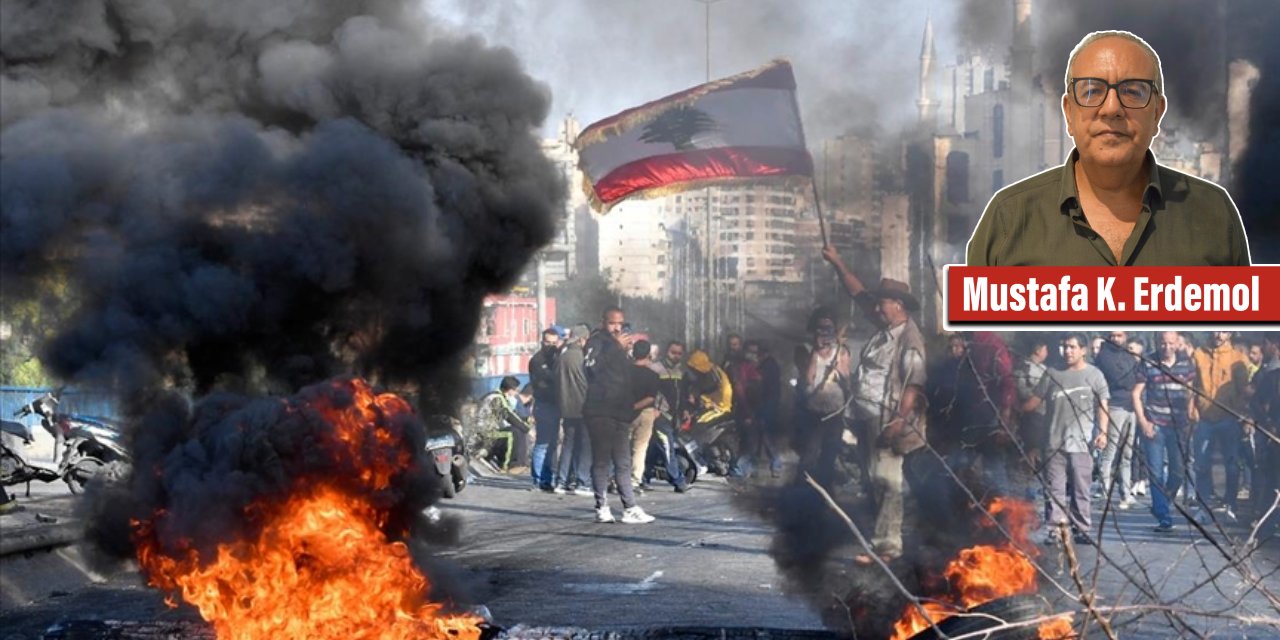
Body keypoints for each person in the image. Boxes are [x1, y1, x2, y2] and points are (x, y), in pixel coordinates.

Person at [966, 30, 1250, 266]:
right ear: (1068, 112)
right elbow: (975, 332)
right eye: (1091, 91)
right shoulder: (1009, 220)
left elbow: (1243, 331)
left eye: (1132, 91)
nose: (1111, 108)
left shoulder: (1212, 213)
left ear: (1157, 113)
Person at [821, 246, 929, 564]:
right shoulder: (886, 327)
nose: (876, 308)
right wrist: (838, 261)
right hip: (866, 417)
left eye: (882, 303)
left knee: (887, 481)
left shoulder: (909, 339)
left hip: (888, 421)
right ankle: (880, 540)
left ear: (897, 305)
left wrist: (897, 423)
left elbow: (914, 384)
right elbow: (859, 293)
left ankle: (888, 548)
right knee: (873, 480)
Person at [1023, 333, 1110, 546]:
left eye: (1072, 347)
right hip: (1053, 442)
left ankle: (1081, 528)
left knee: (1081, 487)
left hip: (1082, 442)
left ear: (1083, 350)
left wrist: (1103, 432)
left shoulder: (1094, 375)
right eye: (1065, 347)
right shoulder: (1052, 373)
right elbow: (1033, 402)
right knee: (1055, 488)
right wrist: (1010, 408)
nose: (1068, 351)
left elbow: (1102, 406)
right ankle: (1056, 529)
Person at [582, 307, 654, 524]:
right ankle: (601, 506)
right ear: (603, 321)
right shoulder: (597, 342)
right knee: (602, 460)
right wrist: (615, 347)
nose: (617, 327)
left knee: (623, 462)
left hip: (620, 413)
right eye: (613, 323)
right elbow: (592, 368)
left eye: (620, 324)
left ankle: (629, 507)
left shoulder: (621, 348)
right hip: (600, 411)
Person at [1132, 331, 1196, 533]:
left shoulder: (1186, 364)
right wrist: (1143, 421)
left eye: (1170, 343)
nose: (1166, 347)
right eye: (1162, 343)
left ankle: (1163, 502)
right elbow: (1136, 394)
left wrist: (1190, 414)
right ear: (1157, 343)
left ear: (1177, 343)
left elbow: (1191, 391)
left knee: (1178, 471)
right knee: (1156, 472)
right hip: (1155, 424)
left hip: (1178, 425)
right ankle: (1163, 516)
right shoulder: (1148, 362)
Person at [1191, 331, 1251, 521]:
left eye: (1223, 330)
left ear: (1230, 333)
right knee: (1201, 464)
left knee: (1231, 464)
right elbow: (1191, 383)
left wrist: (1244, 416)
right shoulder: (1198, 354)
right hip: (1204, 417)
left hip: (1229, 418)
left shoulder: (1238, 358)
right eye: (1215, 329)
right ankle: (1203, 506)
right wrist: (1191, 408)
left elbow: (1244, 391)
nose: (1218, 334)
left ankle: (1231, 504)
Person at [1095, 331, 1142, 510]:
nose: (1116, 339)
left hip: (1131, 407)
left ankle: (1126, 492)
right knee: (1110, 452)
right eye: (1113, 335)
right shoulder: (1105, 356)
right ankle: (1104, 493)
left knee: (1127, 454)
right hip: (1114, 406)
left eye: (1120, 335)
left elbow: (1136, 376)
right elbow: (1121, 379)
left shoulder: (1127, 355)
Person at [554, 324, 594, 496]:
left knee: (568, 445)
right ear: (582, 339)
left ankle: (561, 482)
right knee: (586, 446)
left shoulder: (562, 357)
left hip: (566, 407)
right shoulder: (582, 357)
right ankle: (583, 482)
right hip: (583, 407)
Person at [648, 340, 692, 492]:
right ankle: (678, 481)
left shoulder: (681, 372)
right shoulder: (655, 369)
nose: (676, 356)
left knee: (654, 448)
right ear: (666, 352)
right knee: (667, 448)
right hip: (660, 416)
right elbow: (649, 391)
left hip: (674, 417)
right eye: (673, 352)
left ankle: (644, 477)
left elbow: (684, 394)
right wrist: (653, 408)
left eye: (679, 353)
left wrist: (685, 411)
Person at [529, 327, 563, 491]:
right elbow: (548, 378)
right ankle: (538, 479)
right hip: (544, 404)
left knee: (552, 444)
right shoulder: (537, 360)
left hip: (556, 404)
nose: (551, 346)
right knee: (543, 443)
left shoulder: (557, 357)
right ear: (542, 342)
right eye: (548, 342)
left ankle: (547, 478)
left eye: (554, 343)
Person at [629, 340, 660, 492]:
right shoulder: (653, 375)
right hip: (645, 413)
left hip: (624, 412)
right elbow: (651, 397)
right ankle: (634, 480)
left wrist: (629, 406)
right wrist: (637, 406)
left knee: (621, 447)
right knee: (640, 448)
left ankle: (616, 477)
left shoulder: (624, 371)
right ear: (648, 354)